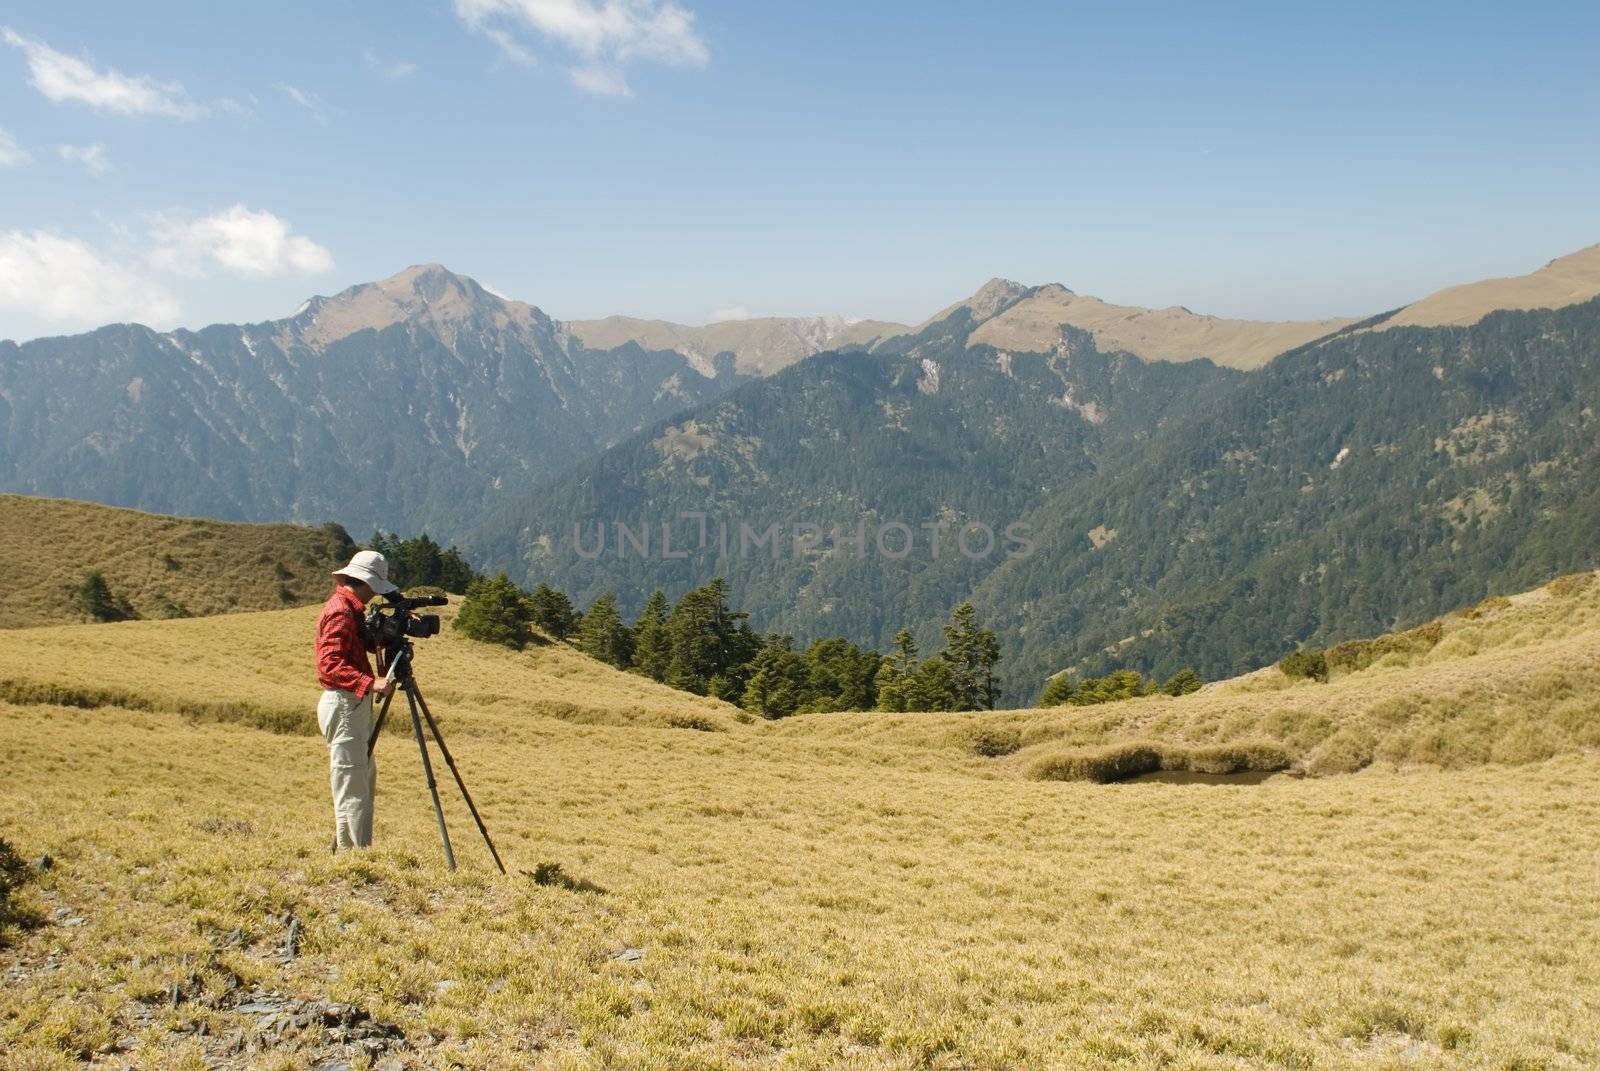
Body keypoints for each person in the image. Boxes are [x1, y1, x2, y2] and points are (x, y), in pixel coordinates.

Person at [316, 549, 397, 850]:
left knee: (358, 782)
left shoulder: (351, 610)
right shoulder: (340, 611)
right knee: (353, 786)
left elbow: (359, 644)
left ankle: (352, 852)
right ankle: (354, 859)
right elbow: (330, 665)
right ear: (367, 583)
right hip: (346, 702)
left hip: (352, 703)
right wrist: (370, 682)